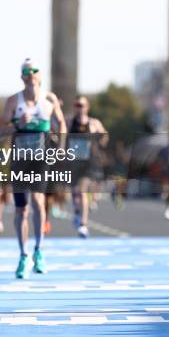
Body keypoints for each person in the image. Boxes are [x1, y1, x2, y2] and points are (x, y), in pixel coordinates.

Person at [0, 58, 66, 279]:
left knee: (38, 201)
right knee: (21, 209)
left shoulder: (49, 99)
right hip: (19, 159)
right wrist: (18, 123)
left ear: (40, 74)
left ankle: (39, 250)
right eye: (26, 71)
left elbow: (61, 123)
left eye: (33, 70)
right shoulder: (12, 101)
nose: (30, 74)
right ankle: (23, 254)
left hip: (40, 158)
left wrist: (62, 148)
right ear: (21, 77)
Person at [67, 95, 108, 238]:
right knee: (74, 192)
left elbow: (104, 135)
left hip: (88, 162)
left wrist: (100, 141)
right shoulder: (69, 122)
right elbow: (56, 127)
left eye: (82, 105)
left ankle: (83, 225)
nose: (79, 108)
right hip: (73, 161)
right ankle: (77, 212)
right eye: (77, 105)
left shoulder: (93, 123)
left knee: (82, 191)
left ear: (87, 107)